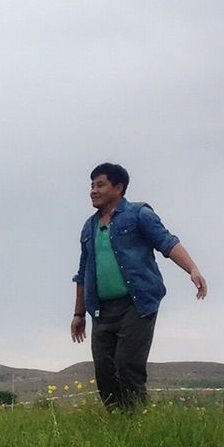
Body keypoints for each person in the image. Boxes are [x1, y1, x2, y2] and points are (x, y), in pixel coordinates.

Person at [68, 163, 207, 408]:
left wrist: (192, 269)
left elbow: (166, 242)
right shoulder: (89, 227)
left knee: (127, 365)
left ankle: (138, 422)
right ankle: (117, 425)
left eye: (100, 185)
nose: (93, 190)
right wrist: (79, 314)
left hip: (137, 303)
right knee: (104, 369)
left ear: (118, 187)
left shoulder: (139, 213)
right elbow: (83, 272)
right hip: (101, 309)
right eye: (91, 185)